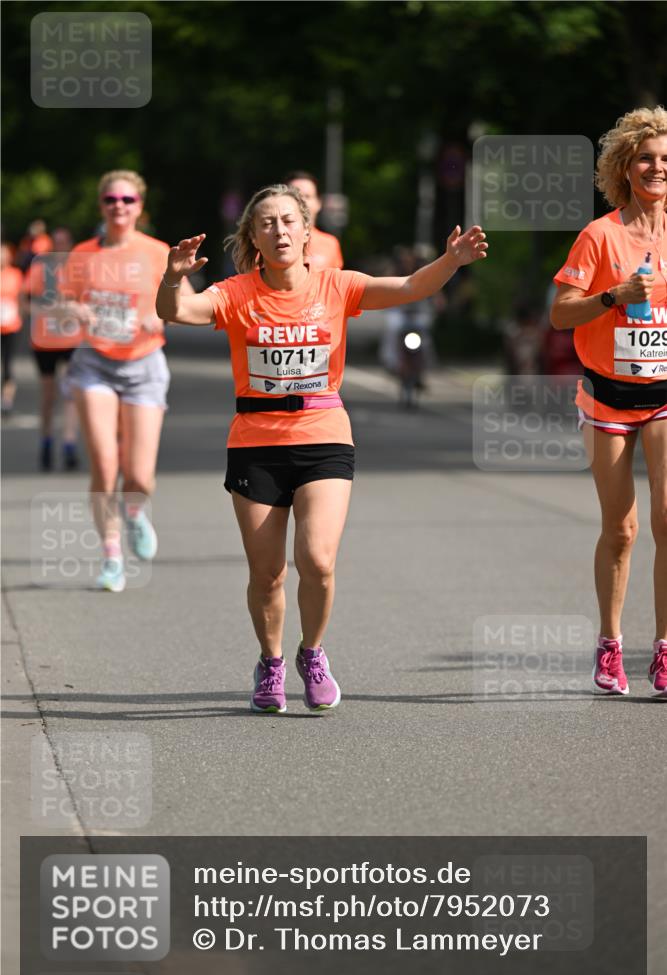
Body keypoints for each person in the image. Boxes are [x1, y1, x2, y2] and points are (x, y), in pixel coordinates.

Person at [156, 183, 487, 713]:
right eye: (267, 223)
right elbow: (178, 312)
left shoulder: (337, 286)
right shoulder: (236, 292)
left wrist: (450, 261)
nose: (279, 230)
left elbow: (406, 286)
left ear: (308, 233)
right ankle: (270, 663)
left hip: (324, 433)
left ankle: (312, 653)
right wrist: (174, 277)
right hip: (255, 442)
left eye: (289, 221)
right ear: (253, 238)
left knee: (318, 560)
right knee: (267, 575)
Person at [551, 106, 667, 698]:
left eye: (666, 160)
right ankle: (611, 643)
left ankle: (666, 651)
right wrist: (614, 295)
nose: (657, 168)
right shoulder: (601, 235)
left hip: (666, 394)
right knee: (621, 529)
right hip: (609, 397)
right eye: (646, 158)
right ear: (625, 167)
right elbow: (560, 312)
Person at [61, 169, 194, 592]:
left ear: (140, 206)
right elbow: (64, 297)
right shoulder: (83, 254)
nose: (119, 206)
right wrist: (76, 312)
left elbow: (185, 301)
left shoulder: (157, 252)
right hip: (93, 363)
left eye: (127, 200)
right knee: (104, 465)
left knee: (138, 476)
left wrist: (156, 316)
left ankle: (135, 512)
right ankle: (111, 555)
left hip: (143, 365)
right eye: (111, 200)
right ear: (101, 206)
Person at [23, 227, 81, 470]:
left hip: (70, 339)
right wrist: (38, 312)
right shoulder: (40, 268)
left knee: (70, 392)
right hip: (45, 340)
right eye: (55, 242)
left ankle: (69, 442)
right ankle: (46, 440)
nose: (59, 247)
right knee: (48, 395)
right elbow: (24, 299)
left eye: (63, 242)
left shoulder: (79, 269)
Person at [283, 171, 344, 269]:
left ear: (318, 203)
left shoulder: (331, 244)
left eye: (307, 196)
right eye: (294, 196)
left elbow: (335, 282)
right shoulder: (268, 242)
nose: (301, 201)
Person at [1, 242, 23, 414]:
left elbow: (22, 300)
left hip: (11, 326)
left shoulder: (15, 274)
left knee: (8, 365)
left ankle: (7, 399)